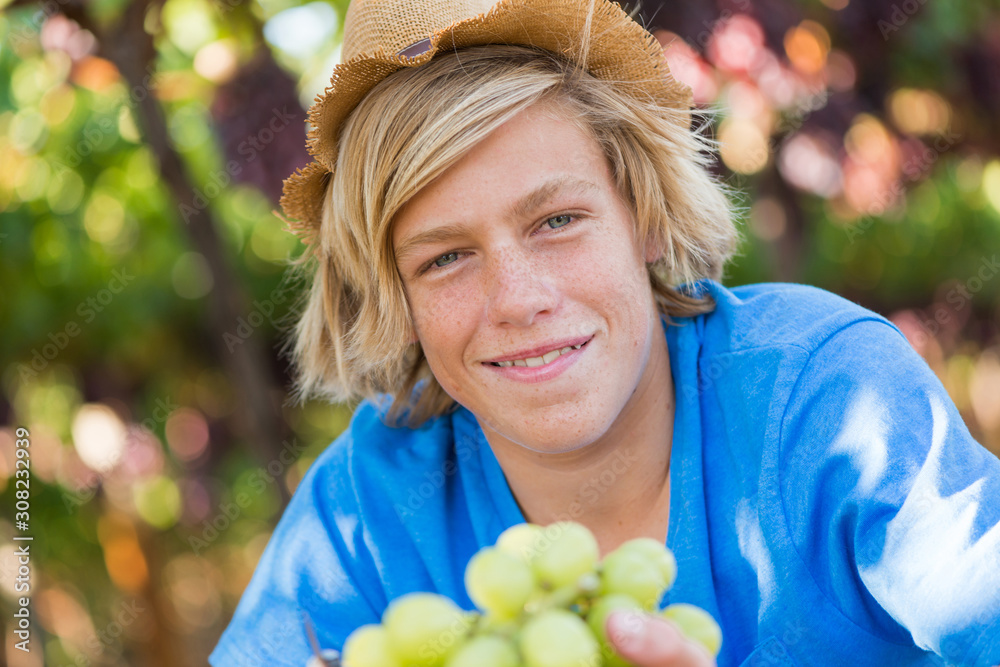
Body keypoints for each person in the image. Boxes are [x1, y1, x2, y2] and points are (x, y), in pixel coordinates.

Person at [210, 0, 1000, 665]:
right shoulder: (369, 505)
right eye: (446, 257)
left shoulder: (826, 395)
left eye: (558, 220)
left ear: (644, 218)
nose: (519, 299)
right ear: (397, 297)